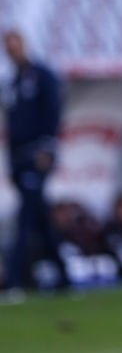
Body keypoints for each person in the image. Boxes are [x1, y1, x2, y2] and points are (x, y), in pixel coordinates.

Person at [2, 30, 68, 296]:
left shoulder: (41, 75)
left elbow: (54, 111)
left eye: (14, 45)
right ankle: (65, 278)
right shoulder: (12, 82)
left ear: (24, 45)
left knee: (25, 220)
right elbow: (10, 125)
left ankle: (14, 281)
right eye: (7, 47)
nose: (11, 50)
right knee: (40, 220)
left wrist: (48, 148)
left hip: (36, 156)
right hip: (19, 159)